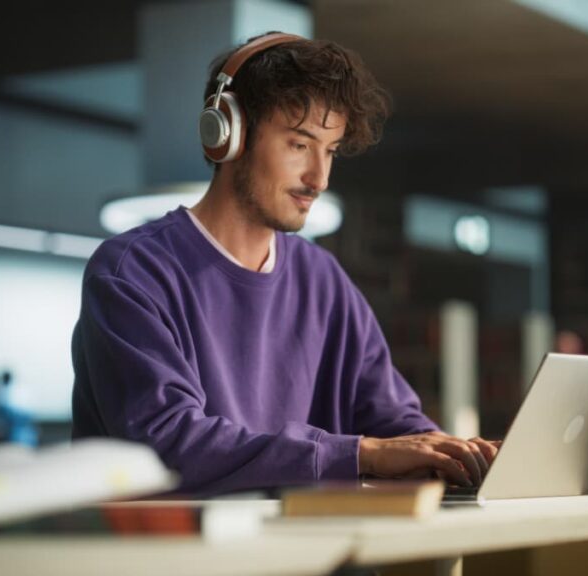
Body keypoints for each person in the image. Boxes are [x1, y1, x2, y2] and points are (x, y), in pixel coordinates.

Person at [71, 32, 498, 495]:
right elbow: (168, 445)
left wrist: (454, 456)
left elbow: (394, 422)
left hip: (304, 539)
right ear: (229, 134)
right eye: (299, 145)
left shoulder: (324, 280)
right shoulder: (132, 272)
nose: (319, 178)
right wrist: (360, 454)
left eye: (330, 151)